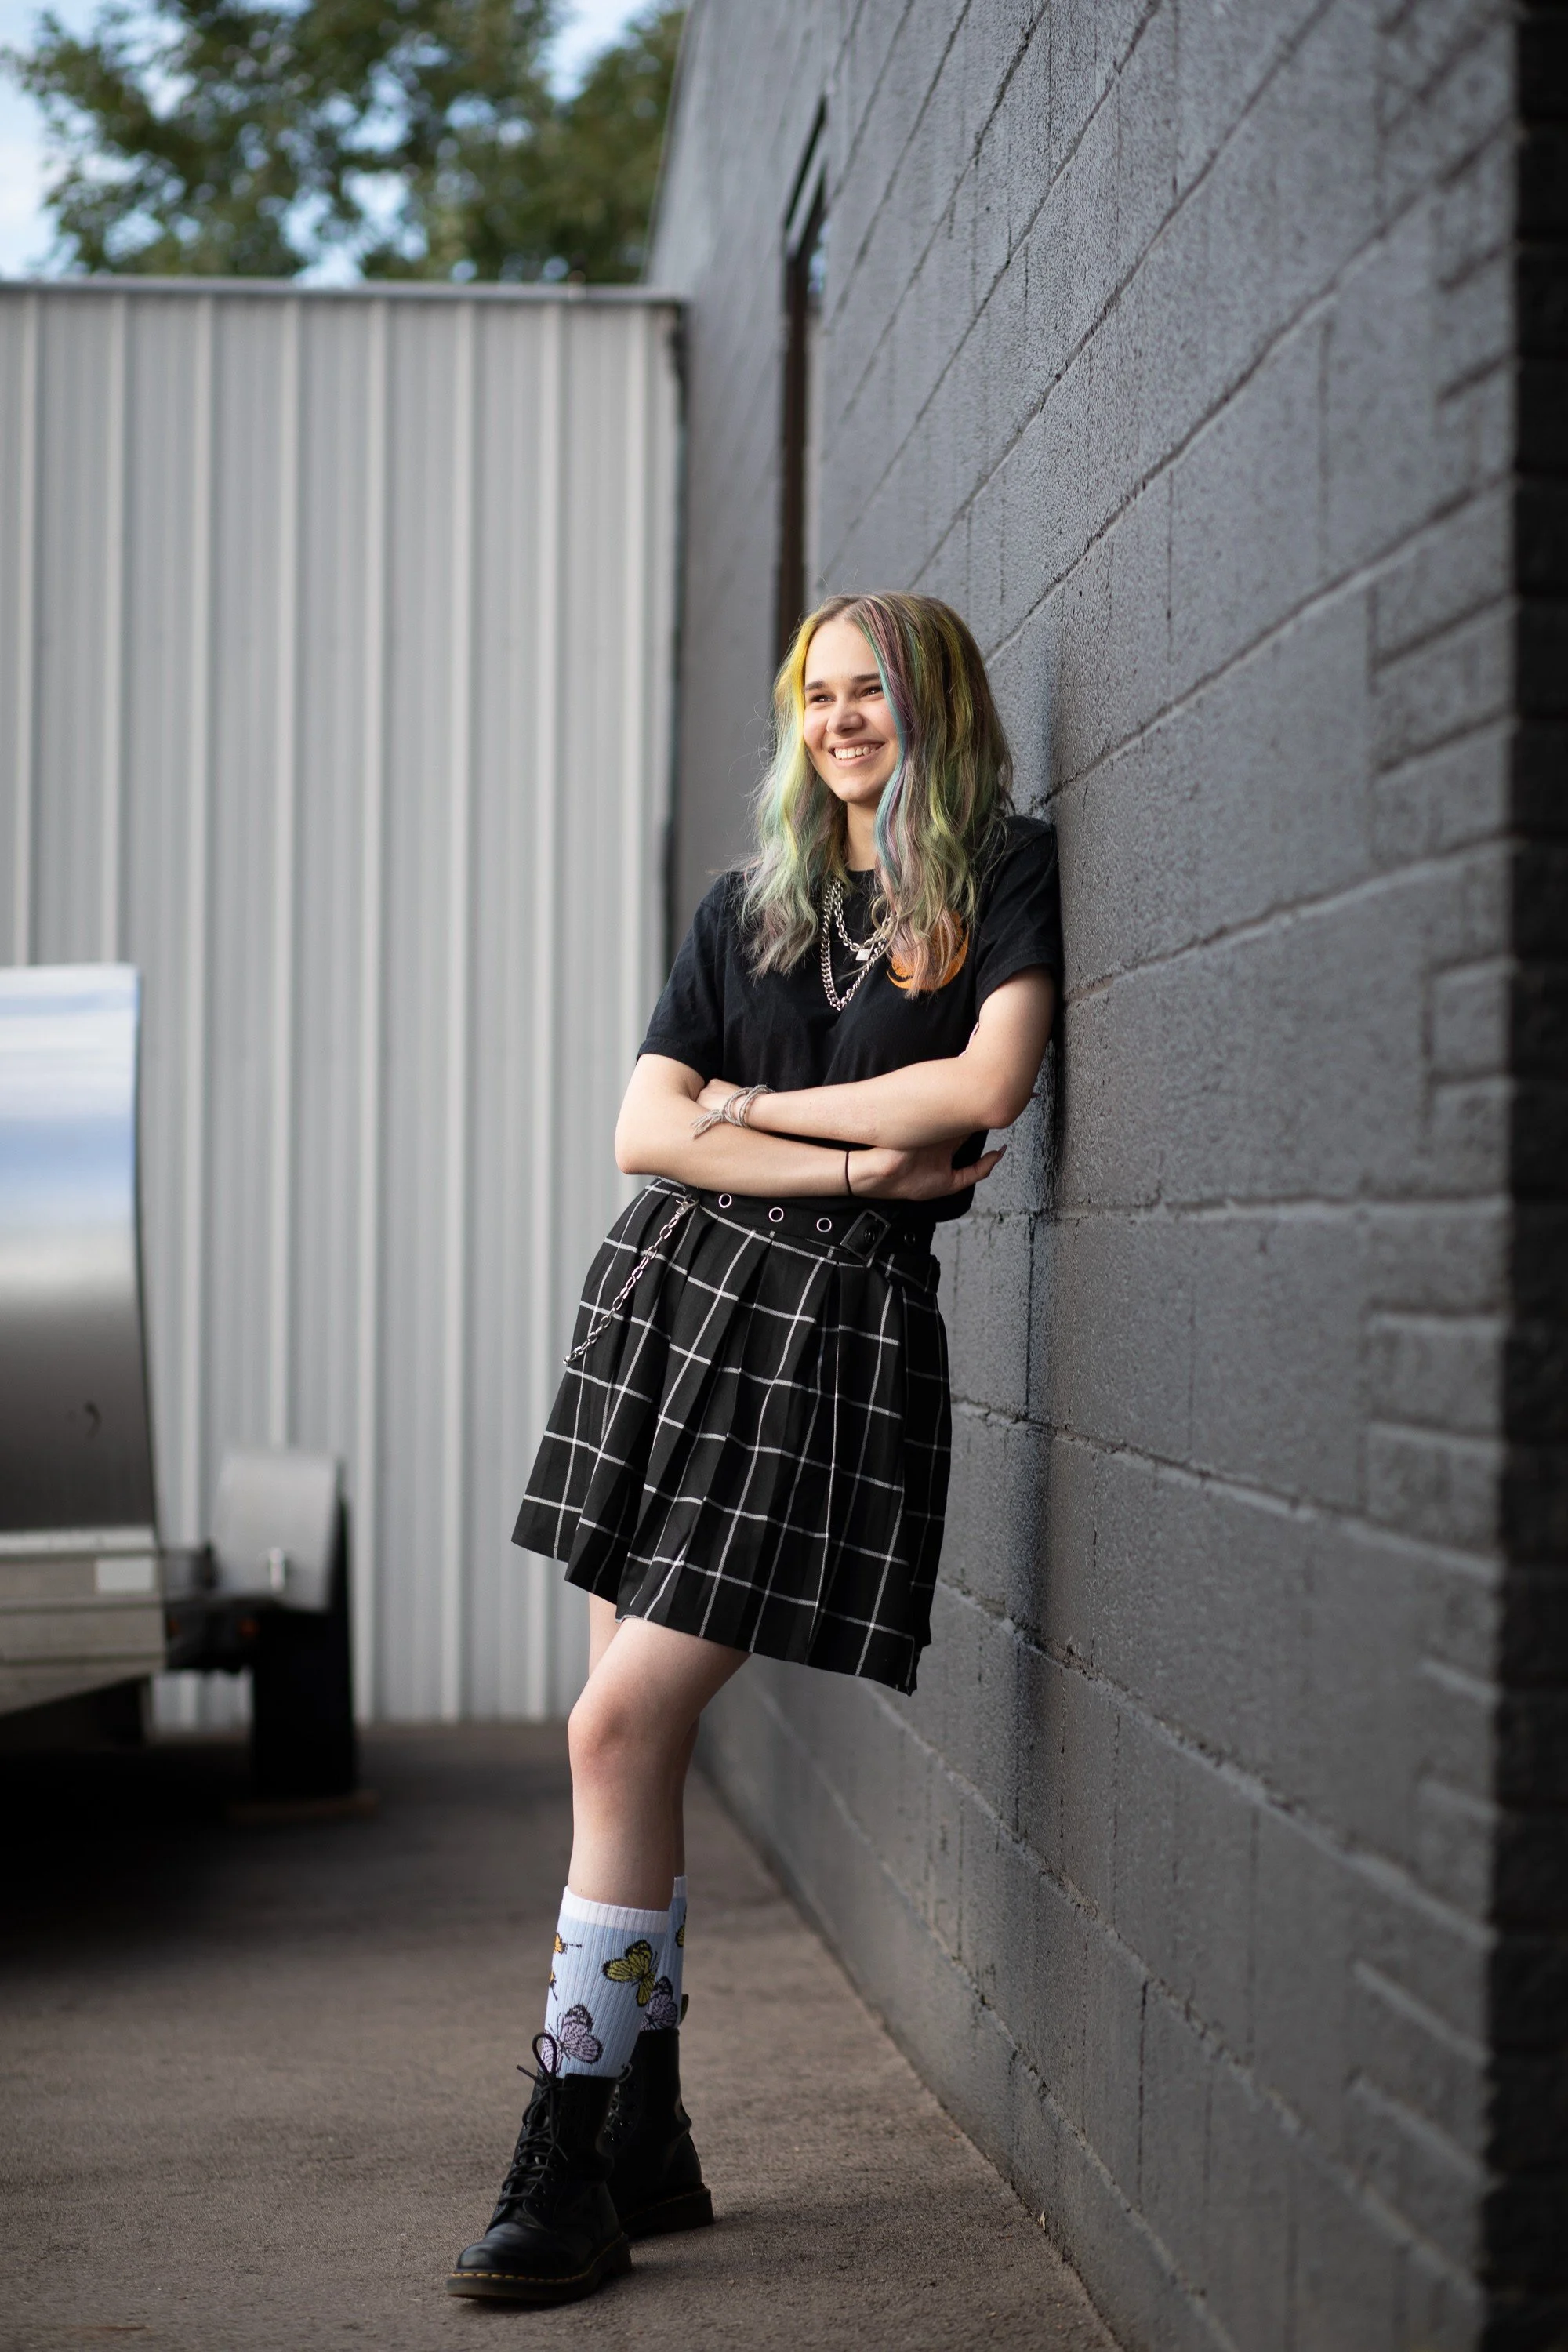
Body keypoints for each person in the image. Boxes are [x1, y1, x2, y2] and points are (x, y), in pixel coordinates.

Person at [447, 591, 1062, 2304]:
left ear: (932, 705)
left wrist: (751, 1115)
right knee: (624, 1758)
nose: (843, 720)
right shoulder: (750, 911)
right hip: (662, 1309)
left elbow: (982, 1089)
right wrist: (855, 1161)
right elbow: (643, 1132)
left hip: (827, 1341)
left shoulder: (1000, 874)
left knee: (617, 1720)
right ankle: (645, 2134)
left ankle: (570, 2150)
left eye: (871, 691)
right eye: (819, 696)